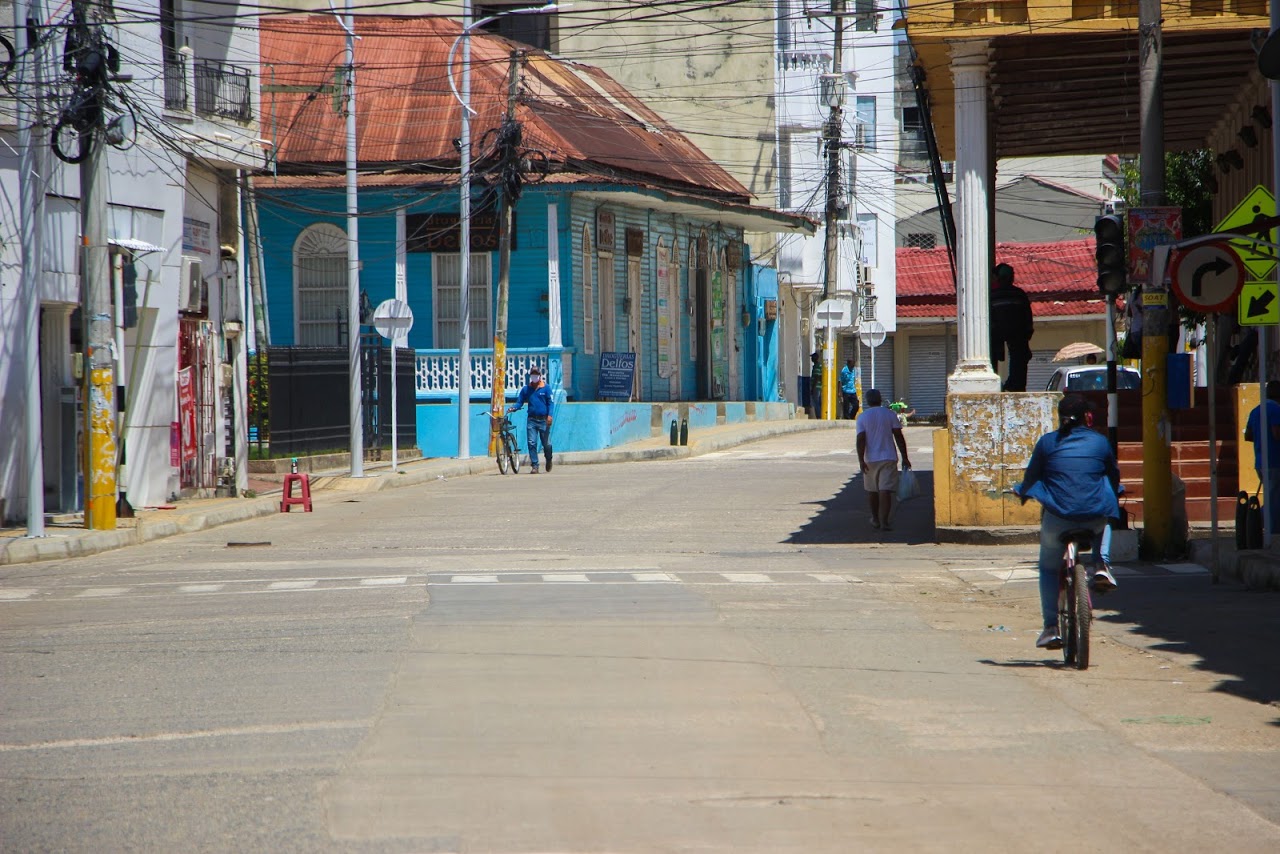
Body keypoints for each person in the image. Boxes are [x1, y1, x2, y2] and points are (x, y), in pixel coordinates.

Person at [1014, 394, 1120, 650]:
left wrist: (1022, 491)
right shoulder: (1100, 442)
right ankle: (1101, 563)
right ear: (1088, 417)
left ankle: (1050, 627)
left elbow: (1031, 478)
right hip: (1094, 519)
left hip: (1058, 518)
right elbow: (1113, 476)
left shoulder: (1047, 443)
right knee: (1106, 508)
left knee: (1049, 569)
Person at [856, 389, 911, 532]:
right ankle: (884, 522)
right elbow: (899, 437)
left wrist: (861, 460)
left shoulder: (862, 417)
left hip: (870, 459)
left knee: (872, 491)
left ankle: (875, 519)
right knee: (885, 491)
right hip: (888, 457)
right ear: (880, 399)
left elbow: (861, 439)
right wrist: (905, 457)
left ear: (867, 401)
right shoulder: (890, 414)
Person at [989, 263, 1034, 392]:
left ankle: (998, 383)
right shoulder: (1019, 294)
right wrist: (1028, 333)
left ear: (997, 278)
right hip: (1015, 332)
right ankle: (1015, 385)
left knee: (994, 357)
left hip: (1000, 332)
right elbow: (1027, 316)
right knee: (1019, 358)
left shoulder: (992, 295)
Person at [1244, 380, 1280, 534]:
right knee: (1274, 499)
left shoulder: (1255, 410)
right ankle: (1270, 530)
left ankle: (1256, 520)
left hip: (1260, 460)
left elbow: (1248, 435)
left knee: (1272, 495)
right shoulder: (1276, 410)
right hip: (1274, 460)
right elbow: (1276, 433)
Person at [510, 367, 554, 474]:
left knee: (546, 444)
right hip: (532, 420)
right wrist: (514, 407)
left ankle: (549, 459)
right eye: (532, 374)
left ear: (539, 375)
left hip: (544, 420)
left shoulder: (546, 388)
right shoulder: (526, 389)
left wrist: (550, 415)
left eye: (536, 374)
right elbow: (520, 402)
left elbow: (550, 403)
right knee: (531, 443)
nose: (534, 376)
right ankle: (535, 465)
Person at [809, 351, 823, 418]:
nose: (811, 359)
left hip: (816, 387)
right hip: (819, 387)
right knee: (819, 402)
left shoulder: (817, 366)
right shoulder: (819, 365)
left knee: (816, 402)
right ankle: (819, 415)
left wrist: (813, 388)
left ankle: (818, 416)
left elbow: (817, 377)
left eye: (812, 357)